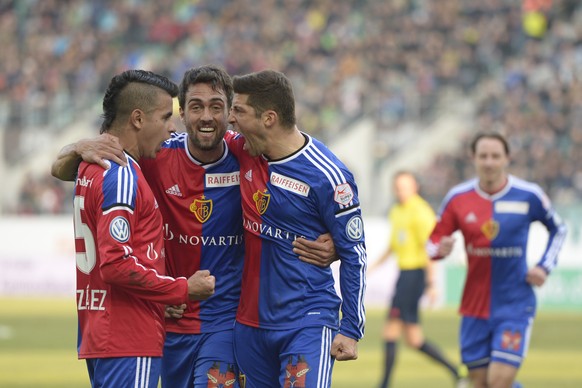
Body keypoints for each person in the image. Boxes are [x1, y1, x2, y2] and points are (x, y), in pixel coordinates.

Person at [52, 65, 337, 388]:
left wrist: (337, 242)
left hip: (227, 322)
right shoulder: (155, 155)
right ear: (183, 114)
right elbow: (70, 170)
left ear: (230, 113)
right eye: (196, 106)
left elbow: (315, 176)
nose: (206, 116)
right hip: (170, 320)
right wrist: (75, 148)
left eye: (216, 106)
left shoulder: (246, 152)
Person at [69, 69, 216, 388]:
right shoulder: (122, 175)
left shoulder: (88, 166)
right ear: (137, 119)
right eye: (165, 117)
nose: (171, 127)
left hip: (103, 332)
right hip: (128, 338)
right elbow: (116, 264)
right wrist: (181, 289)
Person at [226, 69, 367, 387]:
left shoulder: (328, 175)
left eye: (239, 111)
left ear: (269, 118)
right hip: (250, 324)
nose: (230, 120)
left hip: (307, 320)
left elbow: (354, 253)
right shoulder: (244, 151)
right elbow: (188, 141)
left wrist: (351, 328)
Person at [427, 131, 567, 388]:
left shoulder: (528, 194)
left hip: (514, 304)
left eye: (495, 156)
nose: (489, 162)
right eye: (483, 156)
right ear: (473, 158)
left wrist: (544, 266)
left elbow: (559, 228)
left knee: (499, 382)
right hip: (474, 307)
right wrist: (440, 249)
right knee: (480, 383)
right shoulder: (458, 198)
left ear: (507, 159)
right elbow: (431, 243)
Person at [370, 171, 466, 387]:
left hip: (415, 276)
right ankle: (457, 372)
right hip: (404, 276)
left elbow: (430, 249)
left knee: (390, 330)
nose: (400, 190)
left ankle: (384, 384)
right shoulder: (396, 211)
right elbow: (394, 246)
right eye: (397, 187)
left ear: (415, 187)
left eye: (404, 186)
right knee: (414, 340)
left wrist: (432, 283)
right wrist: (371, 268)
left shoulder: (421, 212)